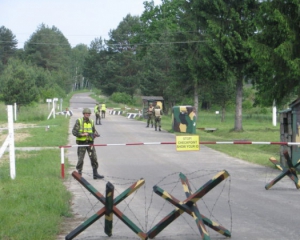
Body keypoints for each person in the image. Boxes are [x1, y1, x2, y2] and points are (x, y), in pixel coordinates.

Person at [72, 108, 104, 179]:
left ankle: (95, 174)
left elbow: (93, 131)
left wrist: (94, 135)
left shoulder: (92, 122)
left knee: (94, 158)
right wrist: (82, 134)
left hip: (90, 143)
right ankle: (79, 174)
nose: (88, 115)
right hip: (82, 143)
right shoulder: (79, 121)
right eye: (86, 113)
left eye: (89, 114)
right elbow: (74, 132)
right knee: (80, 159)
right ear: (83, 114)